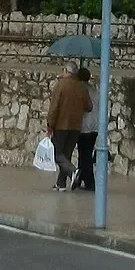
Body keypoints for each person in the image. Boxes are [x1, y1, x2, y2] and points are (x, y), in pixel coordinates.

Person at [46, 61, 87, 192]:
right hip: (76, 126)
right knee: (66, 154)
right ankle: (61, 183)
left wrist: (50, 125)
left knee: (56, 154)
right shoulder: (81, 87)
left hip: (61, 125)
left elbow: (54, 107)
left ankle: (73, 171)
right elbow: (89, 106)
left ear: (66, 71)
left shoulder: (61, 85)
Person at [74, 66, 97, 191]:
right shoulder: (94, 90)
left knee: (84, 154)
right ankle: (81, 178)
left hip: (84, 127)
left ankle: (90, 183)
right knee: (85, 154)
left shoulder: (80, 89)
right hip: (95, 127)